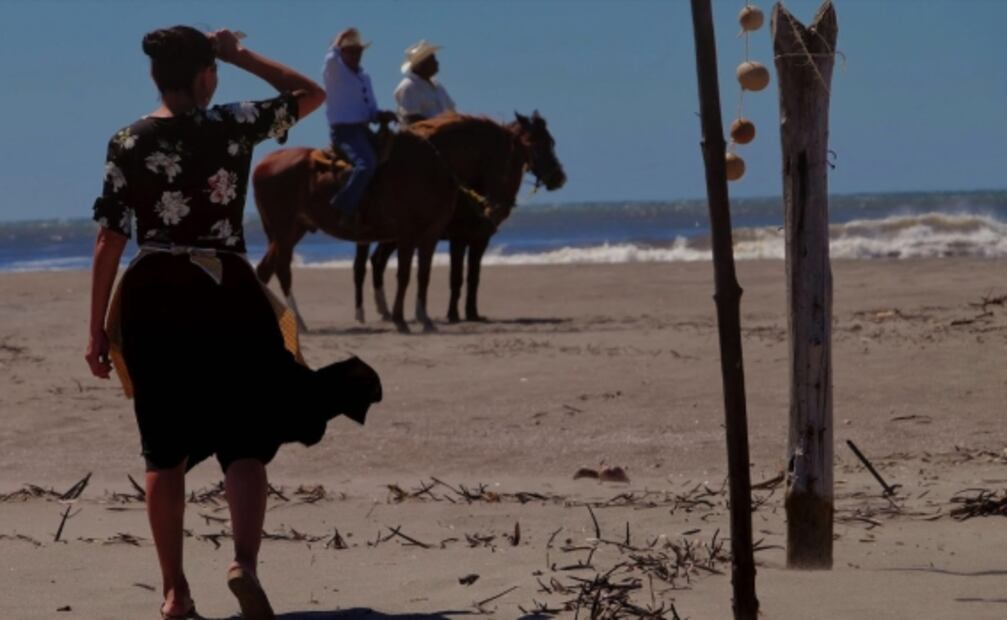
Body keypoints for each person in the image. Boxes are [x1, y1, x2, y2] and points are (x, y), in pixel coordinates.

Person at [85, 26, 381, 620]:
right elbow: (307, 94)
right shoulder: (233, 123)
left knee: (162, 451)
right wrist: (239, 53)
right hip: (226, 289)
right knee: (245, 442)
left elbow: (110, 238)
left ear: (154, 76)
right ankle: (242, 562)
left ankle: (175, 592)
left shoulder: (127, 140)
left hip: (153, 294)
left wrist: (96, 328)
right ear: (205, 75)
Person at [322, 28, 397, 227]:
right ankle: (343, 207)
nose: (356, 55)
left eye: (358, 51)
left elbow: (370, 108)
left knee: (395, 158)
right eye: (351, 51)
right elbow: (330, 56)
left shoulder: (364, 76)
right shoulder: (334, 70)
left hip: (363, 129)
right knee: (366, 164)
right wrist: (340, 38)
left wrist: (380, 115)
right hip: (344, 131)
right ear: (342, 52)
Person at [394, 39, 456, 126]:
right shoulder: (408, 86)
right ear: (420, 64)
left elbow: (452, 111)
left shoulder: (437, 86)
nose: (436, 63)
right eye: (432, 60)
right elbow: (411, 118)